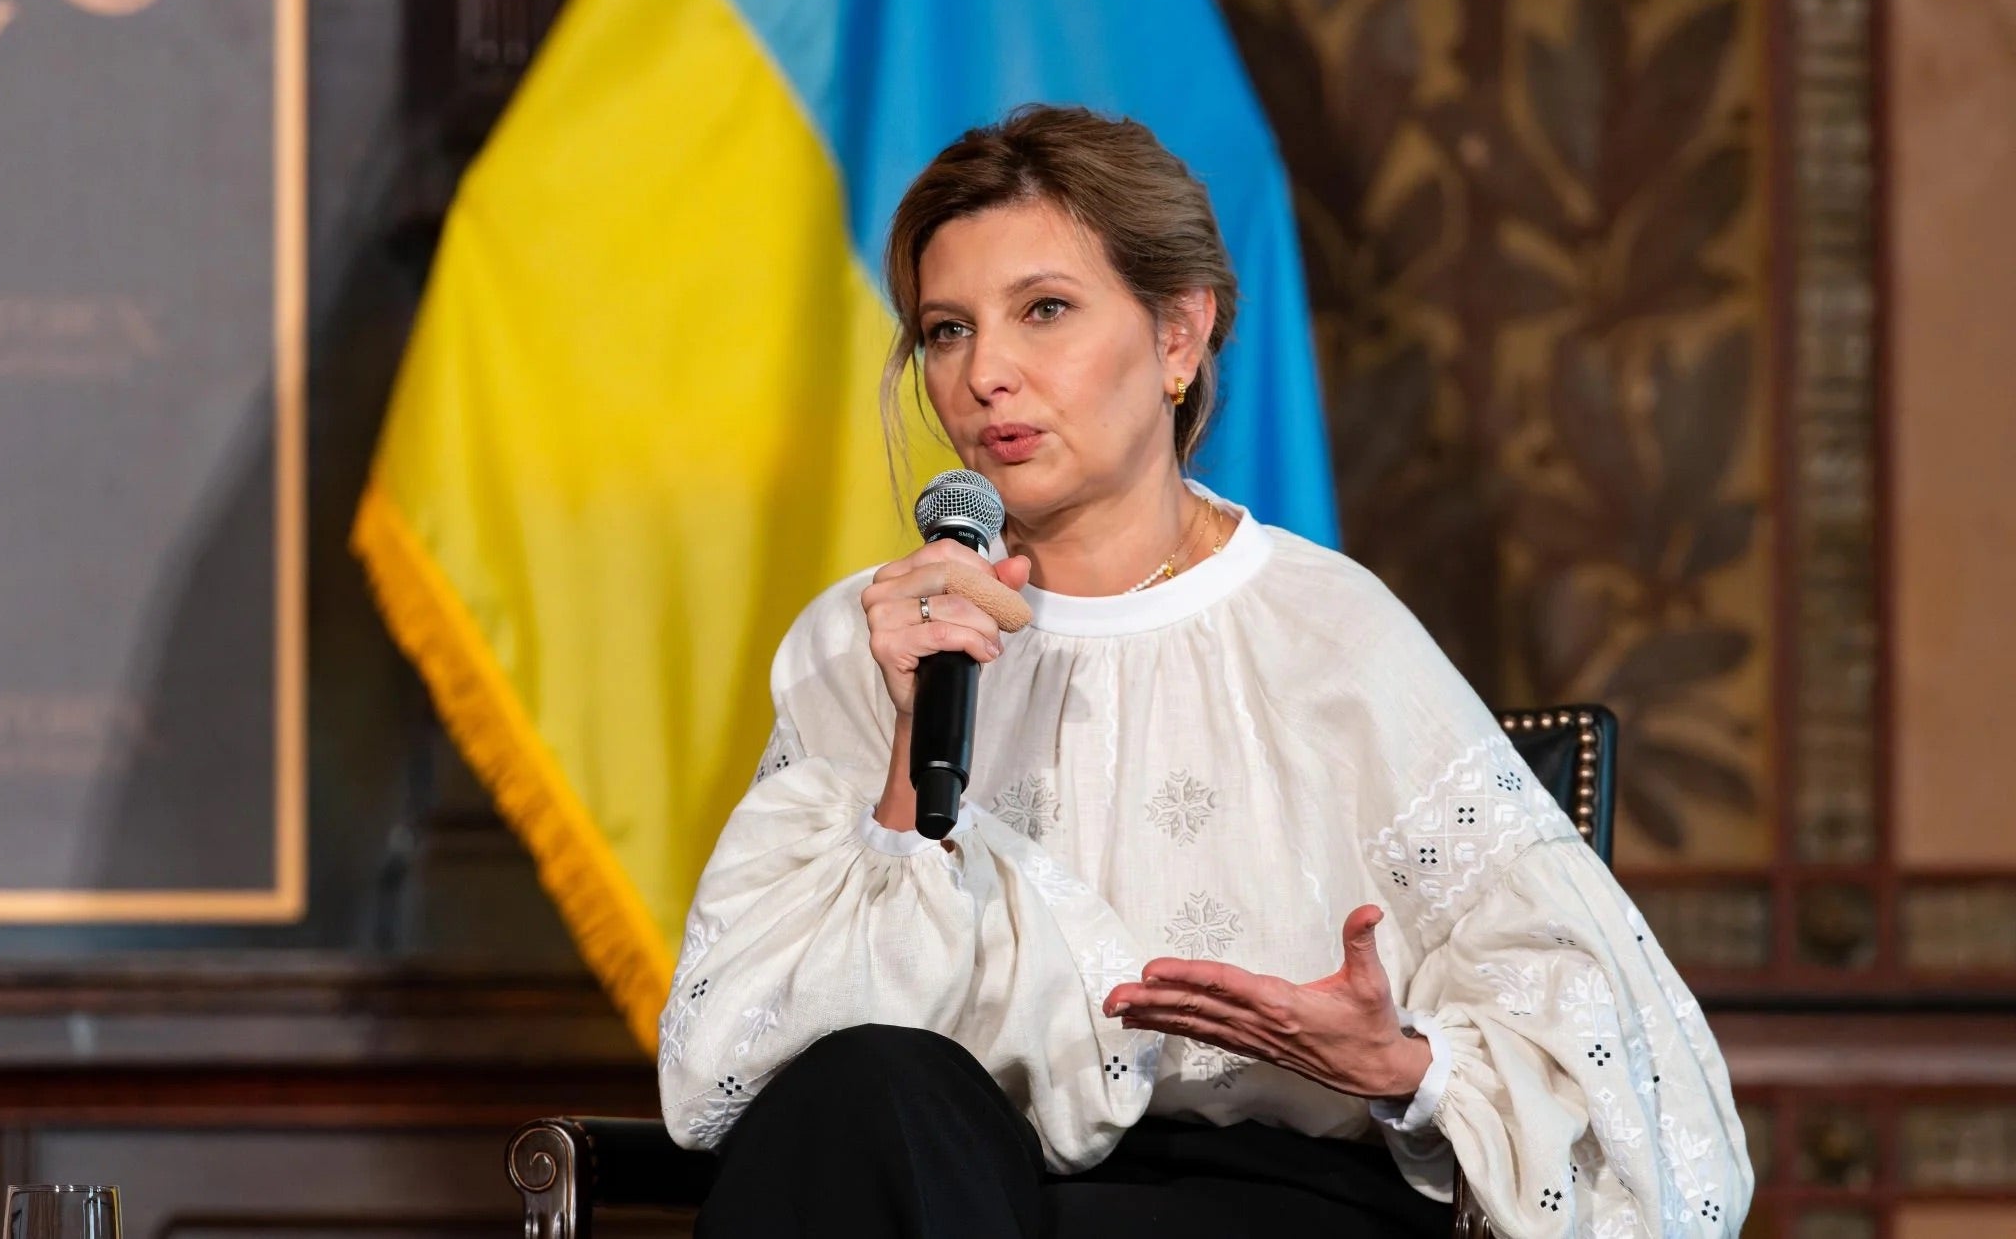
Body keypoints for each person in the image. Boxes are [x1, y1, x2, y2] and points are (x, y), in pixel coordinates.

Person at [656, 104, 1751, 1238]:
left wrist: (1402, 1066)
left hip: (1264, 1202)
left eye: (1043, 311)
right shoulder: (867, 638)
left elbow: (1621, 1076)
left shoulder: (1329, 634)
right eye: (946, 330)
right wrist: (906, 761)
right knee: (869, 1088)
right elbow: (733, 1074)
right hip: (944, 1189)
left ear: (1178, 336)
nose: (985, 374)